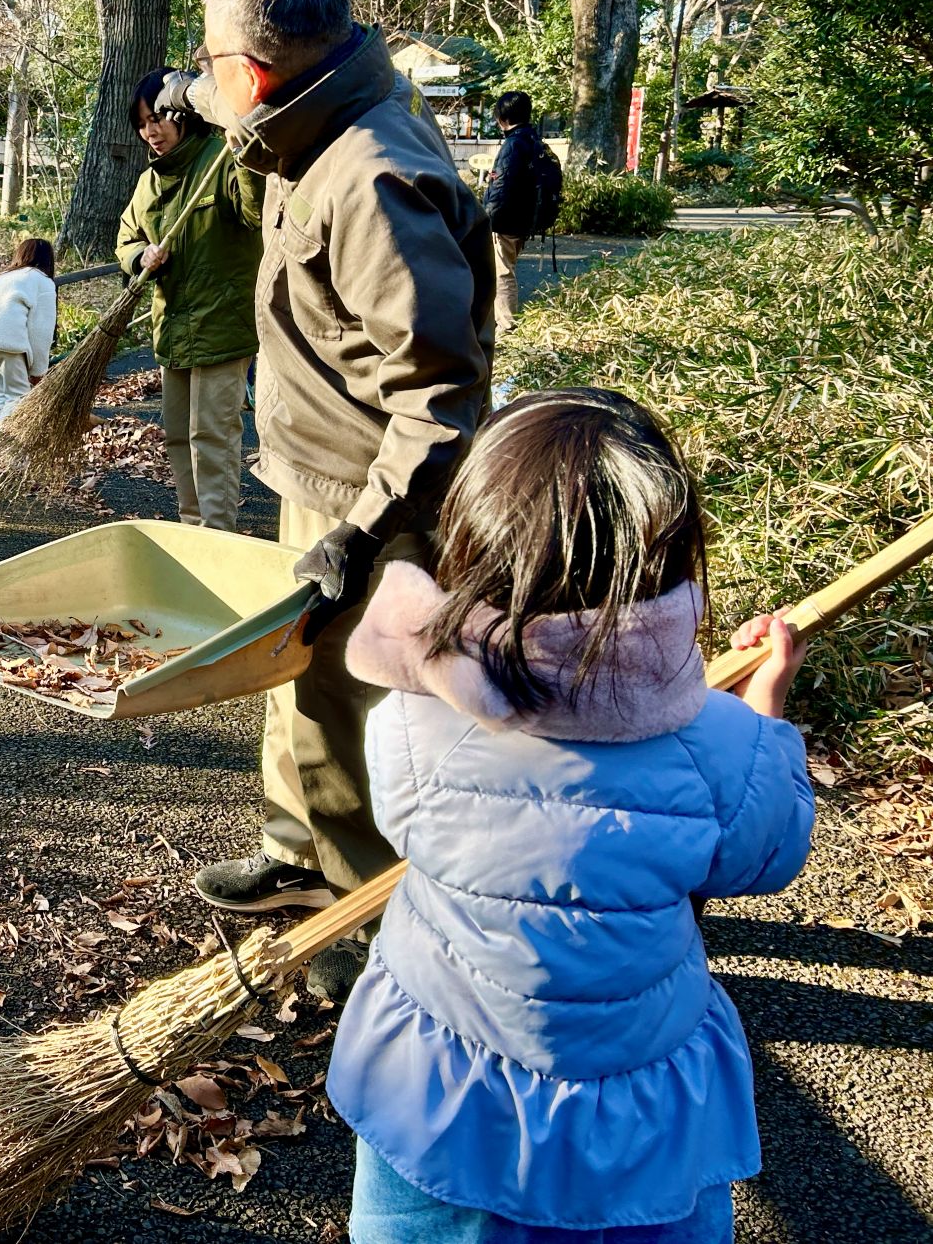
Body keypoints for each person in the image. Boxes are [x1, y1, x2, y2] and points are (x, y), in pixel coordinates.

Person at [330, 387, 813, 1243]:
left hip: (445, 1095)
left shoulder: (415, 721)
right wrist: (766, 706)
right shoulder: (724, 749)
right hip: (633, 1108)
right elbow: (767, 851)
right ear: (668, 567)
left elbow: (411, 821)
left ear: (471, 551)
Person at [154, 0, 494, 990]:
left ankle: (365, 940)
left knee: (347, 716)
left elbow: (438, 396)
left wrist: (363, 526)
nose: (208, 81)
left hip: (372, 503)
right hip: (313, 482)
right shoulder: (316, 111)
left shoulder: (375, 179)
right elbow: (231, 101)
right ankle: (292, 855)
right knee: (288, 681)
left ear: (255, 70)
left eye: (213, 64)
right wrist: (191, 91)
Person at [114, 68, 263, 532]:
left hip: (223, 324)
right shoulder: (149, 184)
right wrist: (141, 256)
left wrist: (243, 151)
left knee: (212, 437)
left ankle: (218, 538)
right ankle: (191, 527)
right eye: (141, 124)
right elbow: (124, 240)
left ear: (182, 114)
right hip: (172, 327)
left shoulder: (219, 160)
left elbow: (255, 213)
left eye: (157, 118)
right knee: (179, 437)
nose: (150, 132)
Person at [0, 236, 57, 420]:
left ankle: (0, 441)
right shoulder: (42, 281)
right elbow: (41, 331)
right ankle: (15, 446)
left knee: (4, 392)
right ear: (48, 259)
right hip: (5, 340)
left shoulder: (2, 277)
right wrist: (38, 371)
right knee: (19, 397)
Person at [482, 90, 543, 332]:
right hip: (525, 217)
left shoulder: (512, 144)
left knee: (502, 272)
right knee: (506, 268)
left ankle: (506, 324)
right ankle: (498, 319)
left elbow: (502, 187)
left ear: (502, 117)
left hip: (506, 220)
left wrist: (486, 219)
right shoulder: (533, 139)